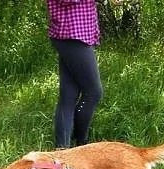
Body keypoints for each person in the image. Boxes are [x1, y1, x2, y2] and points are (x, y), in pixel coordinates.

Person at [45, 0, 122, 149]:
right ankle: (80, 143)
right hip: (71, 34)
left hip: (74, 34)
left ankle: (63, 149)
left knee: (68, 96)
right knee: (93, 93)